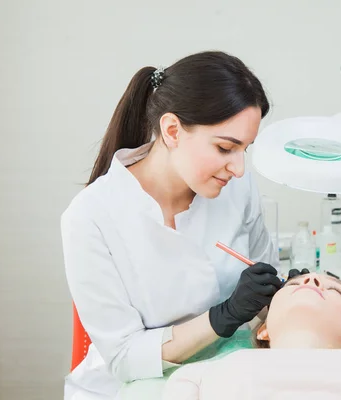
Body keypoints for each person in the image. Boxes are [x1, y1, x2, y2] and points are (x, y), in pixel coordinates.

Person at [60, 51, 283, 399]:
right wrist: (220, 317)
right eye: (226, 148)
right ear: (172, 130)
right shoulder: (91, 216)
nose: (238, 168)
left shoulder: (239, 190)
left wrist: (284, 294)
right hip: (126, 388)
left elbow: (266, 292)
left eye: (245, 150)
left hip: (223, 379)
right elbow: (123, 356)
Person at [162, 272, 341, 399]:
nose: (312, 280)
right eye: (295, 283)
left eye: (334, 290)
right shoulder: (202, 375)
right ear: (264, 329)